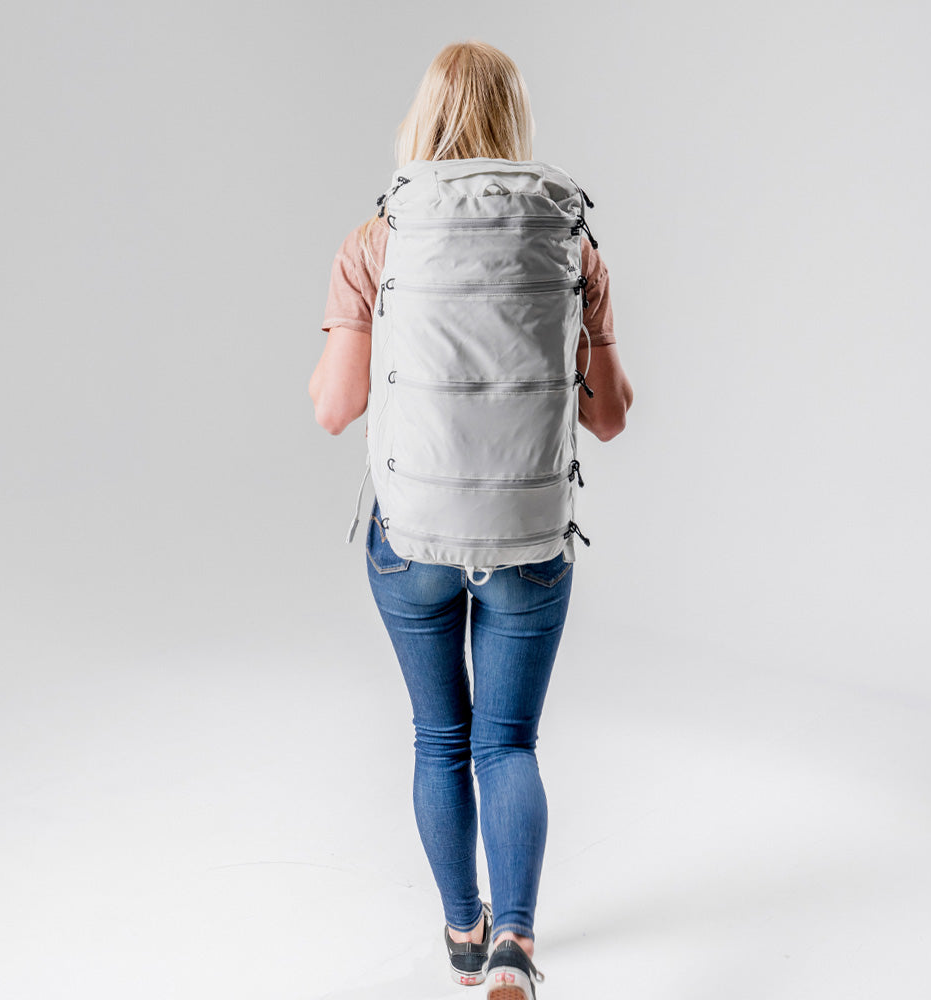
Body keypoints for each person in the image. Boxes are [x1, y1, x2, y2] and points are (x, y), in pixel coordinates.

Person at [310, 40, 633, 1000]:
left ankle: (462, 935)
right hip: (531, 537)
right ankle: (517, 950)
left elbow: (334, 408)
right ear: (513, 124)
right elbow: (609, 418)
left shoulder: (373, 244)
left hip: (410, 539)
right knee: (509, 743)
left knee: (439, 738)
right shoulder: (571, 243)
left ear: (423, 118)